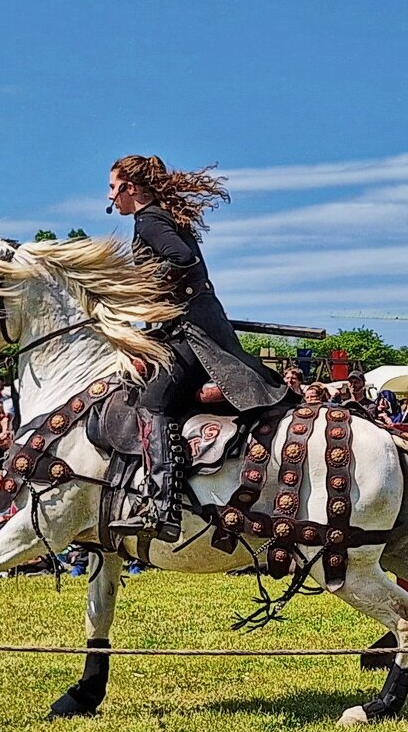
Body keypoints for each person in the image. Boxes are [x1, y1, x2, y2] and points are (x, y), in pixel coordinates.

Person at [105, 155, 291, 542]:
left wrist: (143, 293)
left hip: (190, 334)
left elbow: (182, 259)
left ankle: (161, 506)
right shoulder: (156, 218)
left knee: (152, 405)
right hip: (184, 328)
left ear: (129, 188)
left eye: (112, 188)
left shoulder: (149, 220)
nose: (110, 197)